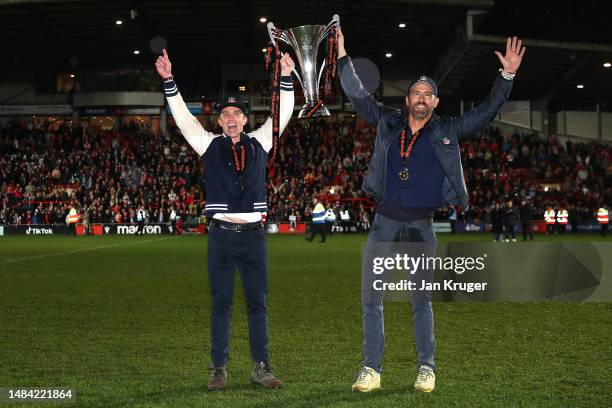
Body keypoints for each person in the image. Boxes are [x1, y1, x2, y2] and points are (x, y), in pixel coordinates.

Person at [337, 27, 525, 393]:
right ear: (407, 100)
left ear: (436, 103)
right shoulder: (388, 122)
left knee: (421, 301)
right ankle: (371, 369)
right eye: (416, 93)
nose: (422, 98)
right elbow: (358, 95)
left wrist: (507, 76)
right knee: (371, 298)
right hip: (384, 223)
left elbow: (486, 112)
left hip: (421, 226)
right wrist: (343, 54)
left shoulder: (448, 129)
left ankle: (427, 367)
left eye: (428, 94)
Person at [155, 48, 295, 390]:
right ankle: (219, 368)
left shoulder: (261, 141)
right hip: (220, 235)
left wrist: (287, 77)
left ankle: (261, 367)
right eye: (225, 114)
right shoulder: (208, 144)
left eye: (237, 113)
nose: (231, 118)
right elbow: (184, 119)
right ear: (218, 121)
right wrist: (169, 81)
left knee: (258, 304)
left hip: (253, 237)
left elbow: (284, 114)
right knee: (221, 304)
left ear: (246, 119)